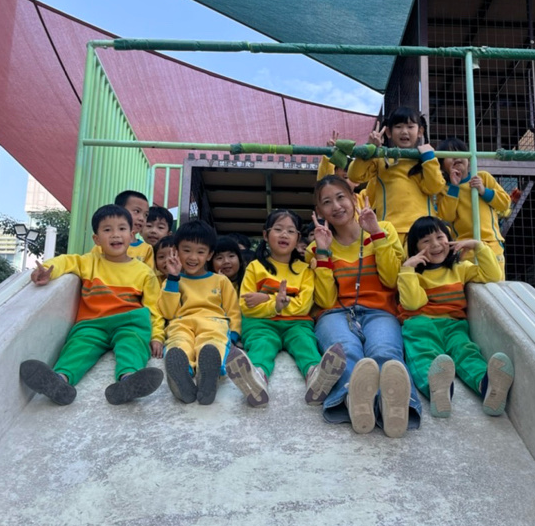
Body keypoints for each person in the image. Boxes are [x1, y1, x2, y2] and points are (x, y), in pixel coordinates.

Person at [308, 175, 420, 438]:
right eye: (327, 202)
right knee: (346, 351)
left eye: (341, 197)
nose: (336, 206)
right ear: (319, 211)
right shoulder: (317, 245)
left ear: (354, 198)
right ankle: (353, 400)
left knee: (384, 351)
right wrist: (323, 253)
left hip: (380, 311)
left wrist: (376, 233)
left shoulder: (384, 229)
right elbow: (325, 299)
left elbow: (391, 280)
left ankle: (393, 405)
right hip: (335, 313)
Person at [18, 204, 165, 406]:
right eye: (107, 230)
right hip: (92, 323)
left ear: (132, 235)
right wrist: (48, 271)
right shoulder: (88, 262)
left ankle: (129, 380)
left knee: (133, 344)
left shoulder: (144, 272)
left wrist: (157, 336)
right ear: (96, 239)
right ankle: (60, 380)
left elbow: (153, 308)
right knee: (79, 346)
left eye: (122, 229)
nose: (115, 235)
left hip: (129, 322)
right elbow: (65, 261)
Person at [227, 210, 347, 408]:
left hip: (296, 324)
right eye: (278, 229)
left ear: (298, 238)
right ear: (265, 235)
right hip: (261, 324)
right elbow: (246, 307)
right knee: (262, 344)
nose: (284, 235)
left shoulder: (305, 270)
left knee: (305, 342)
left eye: (291, 231)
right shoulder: (255, 267)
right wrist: (276, 304)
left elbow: (304, 305)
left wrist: (267, 298)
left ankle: (315, 375)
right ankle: (256, 378)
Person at [398, 216, 512, 418]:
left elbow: (493, 275)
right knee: (423, 354)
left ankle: (487, 385)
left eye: (440, 237)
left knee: (466, 352)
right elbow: (413, 303)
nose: (435, 244)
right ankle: (437, 390)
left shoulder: (460, 268)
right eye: (426, 241)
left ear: (449, 240)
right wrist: (407, 269)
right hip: (420, 323)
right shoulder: (413, 275)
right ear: (416, 249)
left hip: (453, 325)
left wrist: (478, 246)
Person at [158, 220, 242, 405]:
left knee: (212, 344)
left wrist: (234, 334)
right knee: (178, 344)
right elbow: (168, 312)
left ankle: (208, 376)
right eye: (186, 250)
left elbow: (233, 311)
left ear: (210, 254)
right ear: (175, 251)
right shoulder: (172, 280)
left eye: (200, 252)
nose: (193, 257)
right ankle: (182, 377)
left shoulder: (220, 281)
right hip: (181, 322)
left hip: (214, 322)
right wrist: (173, 278)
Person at [347, 106, 445, 243]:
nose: (404, 131)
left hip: (422, 231)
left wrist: (429, 159)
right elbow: (355, 175)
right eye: (398, 127)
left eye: (410, 127)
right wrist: (370, 149)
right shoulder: (381, 158)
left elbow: (434, 187)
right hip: (389, 230)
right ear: (388, 132)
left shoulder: (425, 161)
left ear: (420, 131)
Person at [436, 137, 512, 278]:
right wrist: (454, 187)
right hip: (464, 246)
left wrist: (483, 191)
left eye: (460, 153)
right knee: (471, 284)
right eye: (450, 155)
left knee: (495, 281)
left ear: (469, 159)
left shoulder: (483, 177)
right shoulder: (444, 188)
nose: (456, 157)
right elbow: (447, 216)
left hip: (490, 242)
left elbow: (505, 203)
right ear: (442, 166)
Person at [92, 190, 154, 266]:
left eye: (146, 215)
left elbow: (148, 272)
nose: (142, 218)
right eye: (136, 211)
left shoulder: (147, 249)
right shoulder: (102, 245)